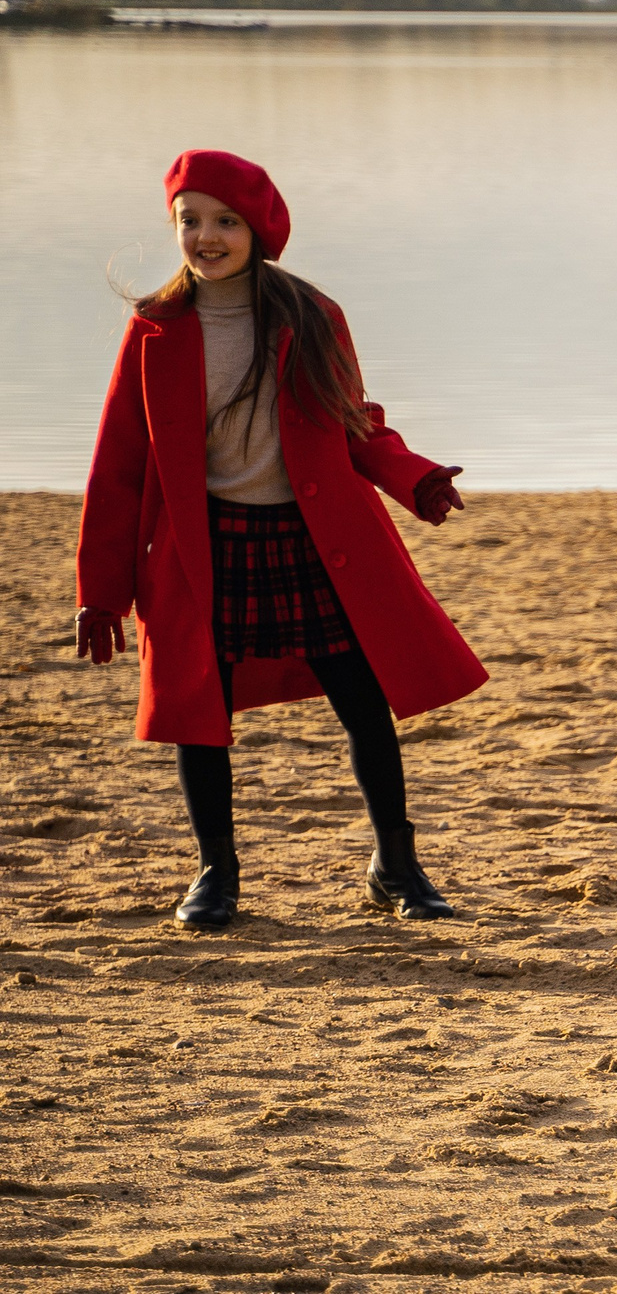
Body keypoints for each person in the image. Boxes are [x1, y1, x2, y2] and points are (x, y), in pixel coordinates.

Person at [75, 150, 487, 933]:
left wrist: (418, 479)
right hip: (207, 546)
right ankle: (215, 872)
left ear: (258, 229)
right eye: (189, 220)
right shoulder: (154, 330)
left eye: (224, 220)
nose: (206, 236)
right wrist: (101, 592)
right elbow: (119, 466)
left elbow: (354, 418)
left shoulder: (311, 316)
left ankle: (395, 865)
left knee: (365, 703)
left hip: (311, 542)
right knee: (201, 709)